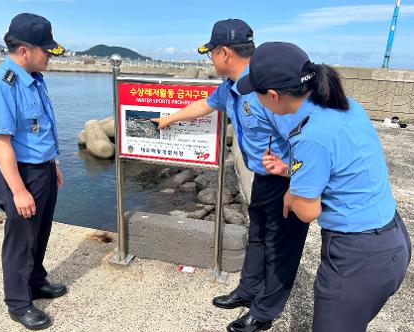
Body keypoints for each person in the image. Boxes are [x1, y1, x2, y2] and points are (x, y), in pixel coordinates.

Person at [237, 41, 411, 332]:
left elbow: (307, 211)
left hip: (357, 256)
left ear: (273, 96)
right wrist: (288, 172)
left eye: (256, 93)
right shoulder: (343, 105)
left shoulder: (309, 135)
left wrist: (293, 194)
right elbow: (339, 167)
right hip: (392, 239)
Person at [152, 19, 309, 332]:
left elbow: (304, 139)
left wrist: (298, 185)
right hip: (264, 177)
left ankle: (263, 313)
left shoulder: (266, 89)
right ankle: (247, 290)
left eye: (211, 52)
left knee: (282, 249)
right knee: (258, 236)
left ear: (224, 53)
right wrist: (169, 118)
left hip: (289, 182)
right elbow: (205, 105)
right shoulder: (232, 87)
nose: (210, 59)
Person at [0, 13, 67, 330]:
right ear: (25, 49)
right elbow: (1, 143)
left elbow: (41, 128)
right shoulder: (1, 85)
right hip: (20, 173)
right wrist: (18, 190)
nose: (49, 57)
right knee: (20, 239)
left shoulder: (34, 78)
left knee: (40, 231)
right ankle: (18, 302)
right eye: (46, 50)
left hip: (42, 170)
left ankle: (35, 280)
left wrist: (53, 163)